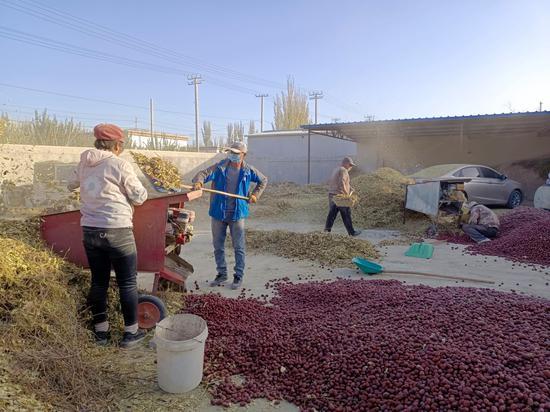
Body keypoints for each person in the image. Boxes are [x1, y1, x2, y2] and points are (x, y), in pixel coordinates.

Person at [68, 123, 148, 348]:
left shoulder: (84, 161)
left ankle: (101, 333)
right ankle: (130, 333)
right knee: (127, 282)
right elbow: (139, 197)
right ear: (117, 145)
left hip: (90, 231)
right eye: (121, 144)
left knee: (99, 281)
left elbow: (70, 184)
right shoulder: (120, 164)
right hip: (117, 230)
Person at [192, 142, 267, 290]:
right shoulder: (220, 167)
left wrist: (255, 195)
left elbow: (263, 180)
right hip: (219, 212)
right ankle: (222, 273)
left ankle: (238, 275)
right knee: (218, 246)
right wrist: (199, 182)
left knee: (238, 246)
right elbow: (203, 174)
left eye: (235, 153)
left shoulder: (248, 170)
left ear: (243, 155)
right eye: (230, 152)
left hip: (237, 214)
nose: (232, 155)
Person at [324, 157, 361, 236]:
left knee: (332, 214)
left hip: (332, 195)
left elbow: (337, 181)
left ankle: (326, 231)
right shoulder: (344, 170)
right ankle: (352, 232)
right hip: (340, 196)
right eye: (350, 165)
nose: (351, 167)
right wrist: (346, 195)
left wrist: (350, 188)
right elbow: (342, 183)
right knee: (346, 213)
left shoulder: (336, 169)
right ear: (346, 163)